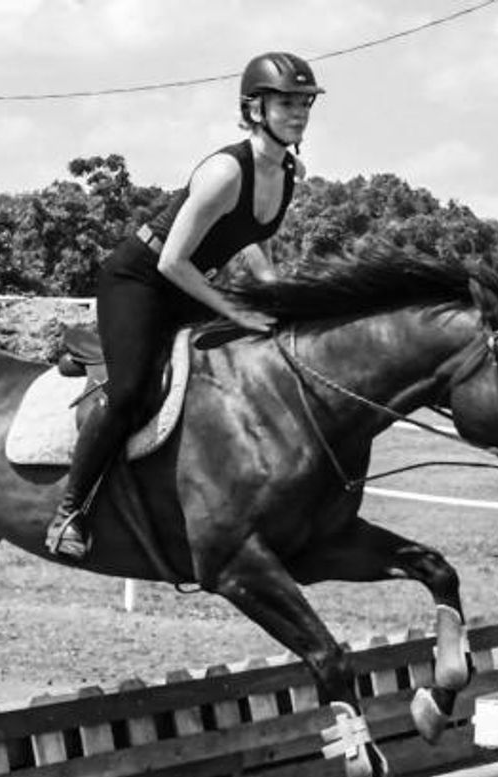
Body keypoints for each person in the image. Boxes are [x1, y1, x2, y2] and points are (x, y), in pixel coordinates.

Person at [46, 51, 324, 560]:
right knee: (130, 390)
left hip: (189, 284)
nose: (300, 112)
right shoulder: (224, 171)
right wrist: (236, 309)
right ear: (256, 109)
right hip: (140, 280)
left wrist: (276, 290)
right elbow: (172, 261)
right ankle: (70, 511)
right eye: (287, 102)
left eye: (305, 103)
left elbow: (249, 235)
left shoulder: (288, 171)